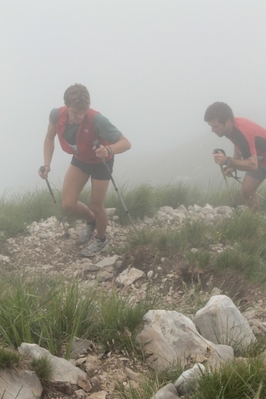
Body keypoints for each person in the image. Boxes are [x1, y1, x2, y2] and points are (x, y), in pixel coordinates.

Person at [39, 83, 131, 256]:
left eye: (83, 112)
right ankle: (91, 221)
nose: (80, 117)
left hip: (101, 161)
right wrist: (47, 164)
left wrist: (109, 149)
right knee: (67, 203)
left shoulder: (97, 120)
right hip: (80, 159)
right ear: (66, 106)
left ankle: (101, 239)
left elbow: (125, 143)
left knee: (97, 204)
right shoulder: (56, 115)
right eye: (75, 112)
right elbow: (49, 138)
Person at [204, 102, 266, 211]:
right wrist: (233, 165)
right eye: (211, 126)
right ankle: (256, 222)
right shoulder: (230, 128)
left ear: (227, 122)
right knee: (247, 191)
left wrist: (228, 161)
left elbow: (252, 165)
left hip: (256, 161)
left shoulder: (243, 131)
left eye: (215, 126)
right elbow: (239, 145)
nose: (212, 130)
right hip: (260, 160)